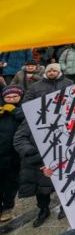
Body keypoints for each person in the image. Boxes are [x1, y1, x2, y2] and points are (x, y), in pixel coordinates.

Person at [14, 63, 73, 226]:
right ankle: (43, 209)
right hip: (39, 158)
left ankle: (65, 206)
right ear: (45, 72)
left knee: (64, 182)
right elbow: (19, 137)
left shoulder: (68, 83)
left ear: (59, 71)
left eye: (55, 70)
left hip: (62, 150)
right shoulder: (35, 88)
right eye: (49, 70)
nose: (52, 72)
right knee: (41, 188)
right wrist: (33, 152)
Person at [0, 85, 24, 222]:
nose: (11, 99)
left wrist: (16, 111)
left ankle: (8, 207)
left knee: (11, 183)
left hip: (14, 155)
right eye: (8, 97)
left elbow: (29, 121)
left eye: (15, 96)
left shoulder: (24, 109)